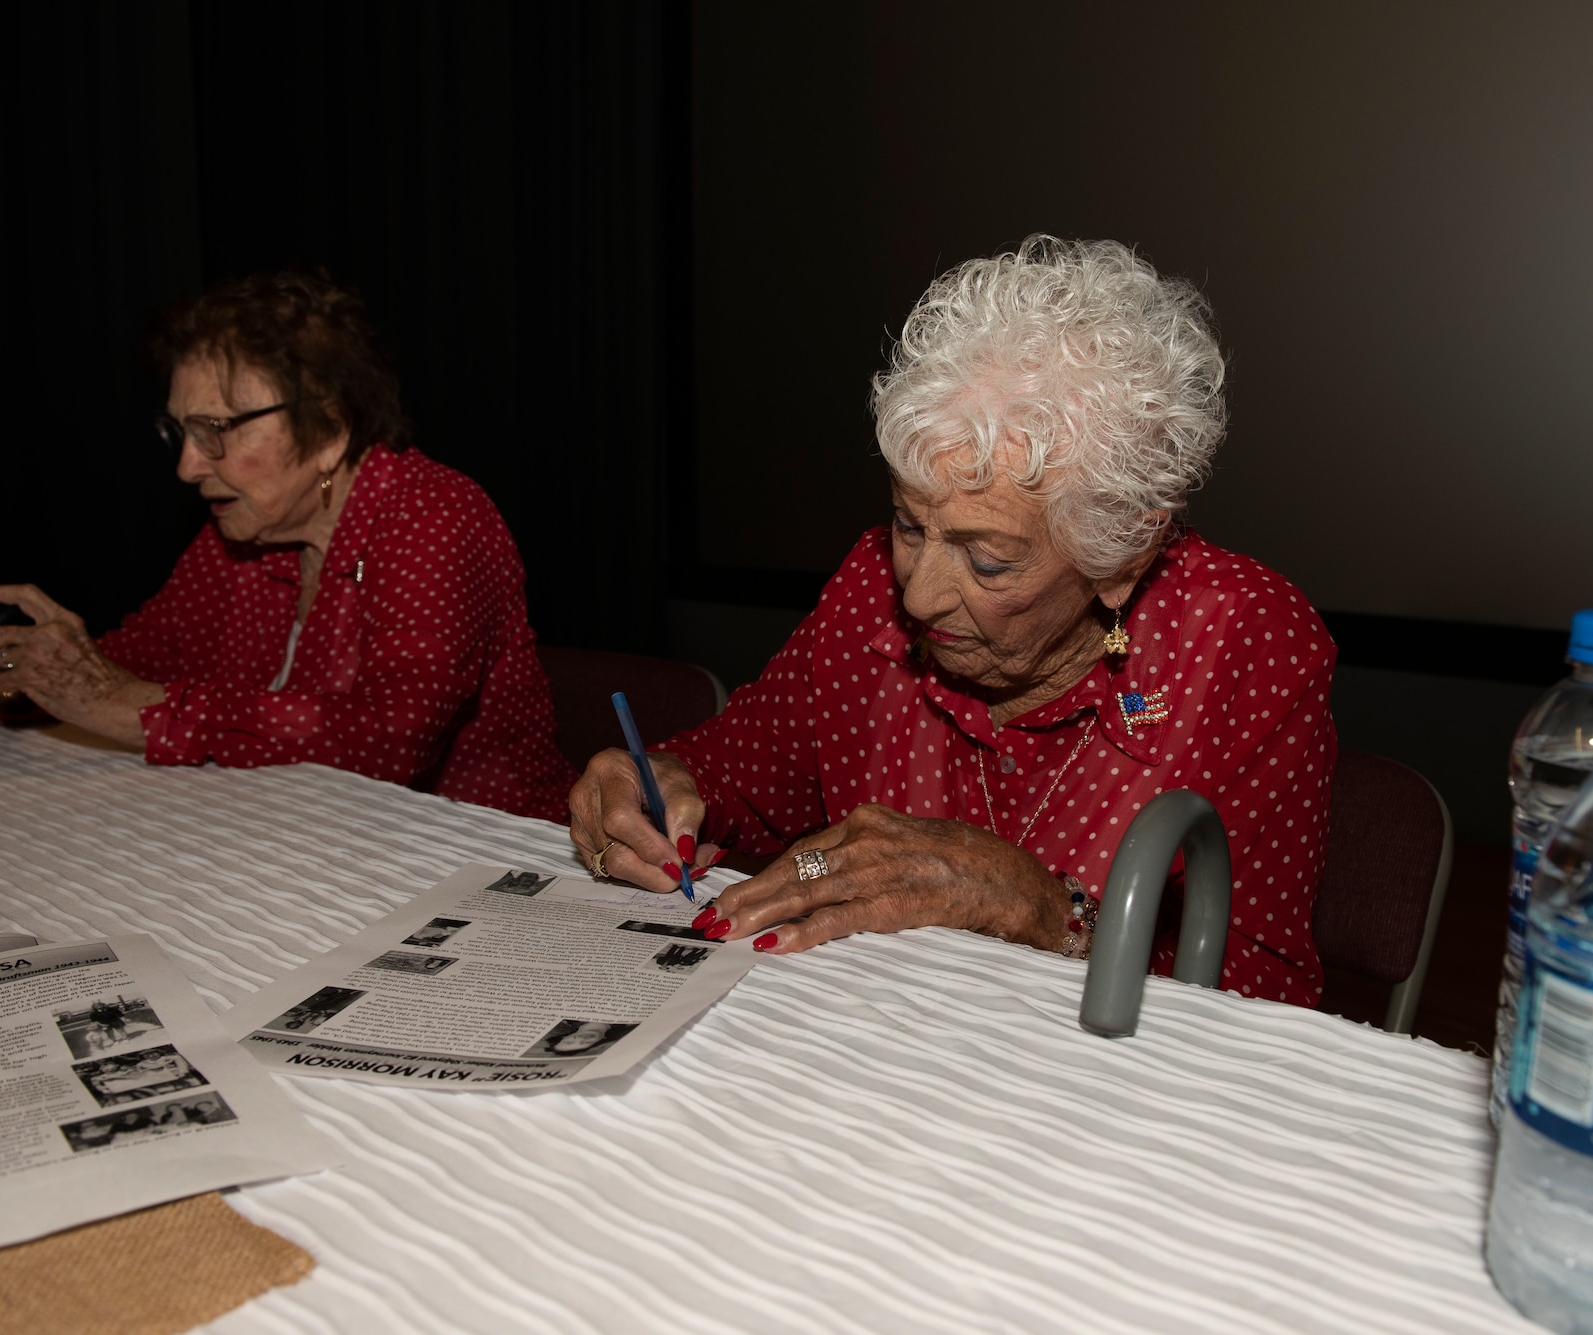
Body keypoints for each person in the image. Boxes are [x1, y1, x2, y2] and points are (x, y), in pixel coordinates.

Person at [570, 236, 1336, 1006]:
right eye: (909, 524)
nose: (920, 596)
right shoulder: (869, 586)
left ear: (1125, 554)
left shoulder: (1240, 640)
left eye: (989, 560)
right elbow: (743, 771)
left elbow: (1264, 1000)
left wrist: (1038, 906)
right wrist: (658, 782)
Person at [0, 269, 576, 821]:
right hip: (299, 854)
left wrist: (125, 704)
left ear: (330, 429)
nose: (189, 467)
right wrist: (13, 669)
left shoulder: (433, 514)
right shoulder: (243, 533)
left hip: (478, 865)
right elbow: (137, 660)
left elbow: (390, 739)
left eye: (217, 430)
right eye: (182, 433)